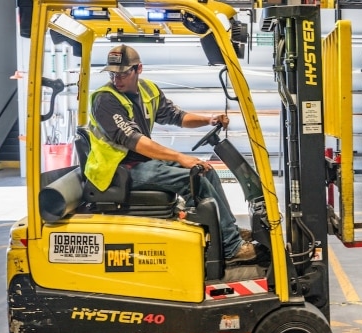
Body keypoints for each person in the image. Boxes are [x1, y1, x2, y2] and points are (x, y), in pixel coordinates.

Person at [84, 44, 255, 263]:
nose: (117, 79)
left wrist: (208, 120)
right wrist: (179, 157)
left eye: (123, 73)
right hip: (117, 171)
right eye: (112, 73)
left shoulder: (148, 90)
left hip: (139, 162)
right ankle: (231, 248)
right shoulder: (105, 100)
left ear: (139, 69)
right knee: (194, 180)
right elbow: (134, 141)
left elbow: (177, 116)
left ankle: (228, 232)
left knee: (206, 171)